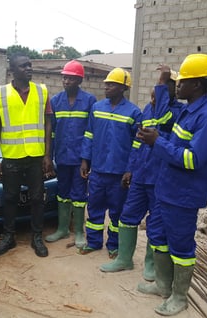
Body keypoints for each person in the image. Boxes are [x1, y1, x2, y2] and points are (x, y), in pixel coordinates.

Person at [137, 54, 207, 316]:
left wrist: (157, 143)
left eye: (182, 81)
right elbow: (176, 145)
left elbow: (193, 159)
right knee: (160, 238)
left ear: (197, 84)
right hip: (168, 188)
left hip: (184, 195)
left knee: (181, 246)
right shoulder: (188, 110)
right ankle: (163, 286)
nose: (178, 85)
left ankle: (179, 297)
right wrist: (156, 136)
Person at [99, 66, 183, 278]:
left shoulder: (177, 112)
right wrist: (130, 169)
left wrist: (163, 83)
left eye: (162, 87)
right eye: (155, 87)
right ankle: (124, 259)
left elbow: (164, 119)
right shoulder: (147, 109)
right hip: (141, 175)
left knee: (156, 222)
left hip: (160, 178)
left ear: (172, 90)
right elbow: (137, 144)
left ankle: (150, 265)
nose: (155, 91)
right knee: (127, 217)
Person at [0, 53, 54, 258]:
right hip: (12, 156)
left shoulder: (42, 91)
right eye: (23, 66)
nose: (29, 68)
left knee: (37, 198)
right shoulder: (0, 94)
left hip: (35, 156)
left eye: (30, 65)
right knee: (10, 198)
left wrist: (47, 155)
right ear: (13, 70)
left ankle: (37, 237)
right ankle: (9, 237)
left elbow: (48, 124)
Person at [79, 67, 142, 258]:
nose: (106, 87)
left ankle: (113, 245)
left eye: (111, 84)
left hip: (119, 173)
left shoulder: (134, 113)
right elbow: (89, 136)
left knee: (117, 212)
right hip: (98, 170)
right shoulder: (97, 108)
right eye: (106, 84)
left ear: (123, 88)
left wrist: (130, 170)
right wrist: (85, 160)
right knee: (94, 208)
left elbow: (137, 145)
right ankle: (94, 242)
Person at [45, 60, 96, 248]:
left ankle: (79, 232)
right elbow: (51, 132)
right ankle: (62, 228)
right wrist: (48, 157)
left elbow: (91, 132)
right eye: (64, 77)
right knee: (62, 193)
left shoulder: (89, 101)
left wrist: (86, 159)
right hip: (62, 157)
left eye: (71, 78)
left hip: (80, 159)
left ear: (79, 80)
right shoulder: (55, 101)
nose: (66, 81)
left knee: (79, 194)